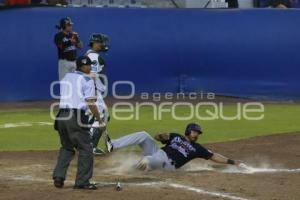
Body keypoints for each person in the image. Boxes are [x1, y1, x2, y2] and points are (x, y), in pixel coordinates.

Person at [52, 55, 105, 190]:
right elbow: (91, 102)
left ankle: (59, 177)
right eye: (88, 65)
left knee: (67, 147)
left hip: (62, 117)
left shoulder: (67, 77)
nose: (89, 67)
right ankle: (82, 182)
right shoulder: (87, 80)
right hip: (76, 117)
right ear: (83, 66)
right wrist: (99, 120)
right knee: (86, 149)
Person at [105, 123, 244, 171]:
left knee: (149, 160)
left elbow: (214, 156)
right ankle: (113, 145)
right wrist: (160, 136)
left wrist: (233, 162)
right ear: (188, 131)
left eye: (198, 133)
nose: (197, 134)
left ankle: (134, 167)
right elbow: (156, 138)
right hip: (158, 153)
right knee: (143, 135)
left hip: (167, 164)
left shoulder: (198, 148)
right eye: (195, 131)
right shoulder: (176, 136)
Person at [85, 33, 110, 156]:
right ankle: (90, 146)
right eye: (101, 42)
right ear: (95, 43)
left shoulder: (90, 55)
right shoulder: (94, 56)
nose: (103, 44)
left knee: (98, 117)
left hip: (91, 90)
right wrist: (96, 90)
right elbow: (91, 75)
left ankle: (86, 144)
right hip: (92, 91)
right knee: (101, 116)